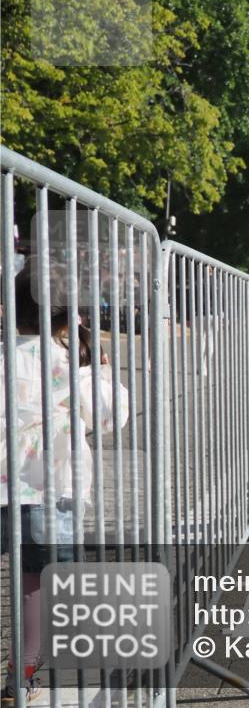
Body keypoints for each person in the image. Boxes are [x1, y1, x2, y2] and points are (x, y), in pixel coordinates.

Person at [0, 263, 129, 704]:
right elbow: (110, 417)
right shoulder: (67, 362)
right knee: (37, 581)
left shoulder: (4, 354)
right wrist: (104, 372)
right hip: (47, 487)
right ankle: (22, 674)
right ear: (66, 316)